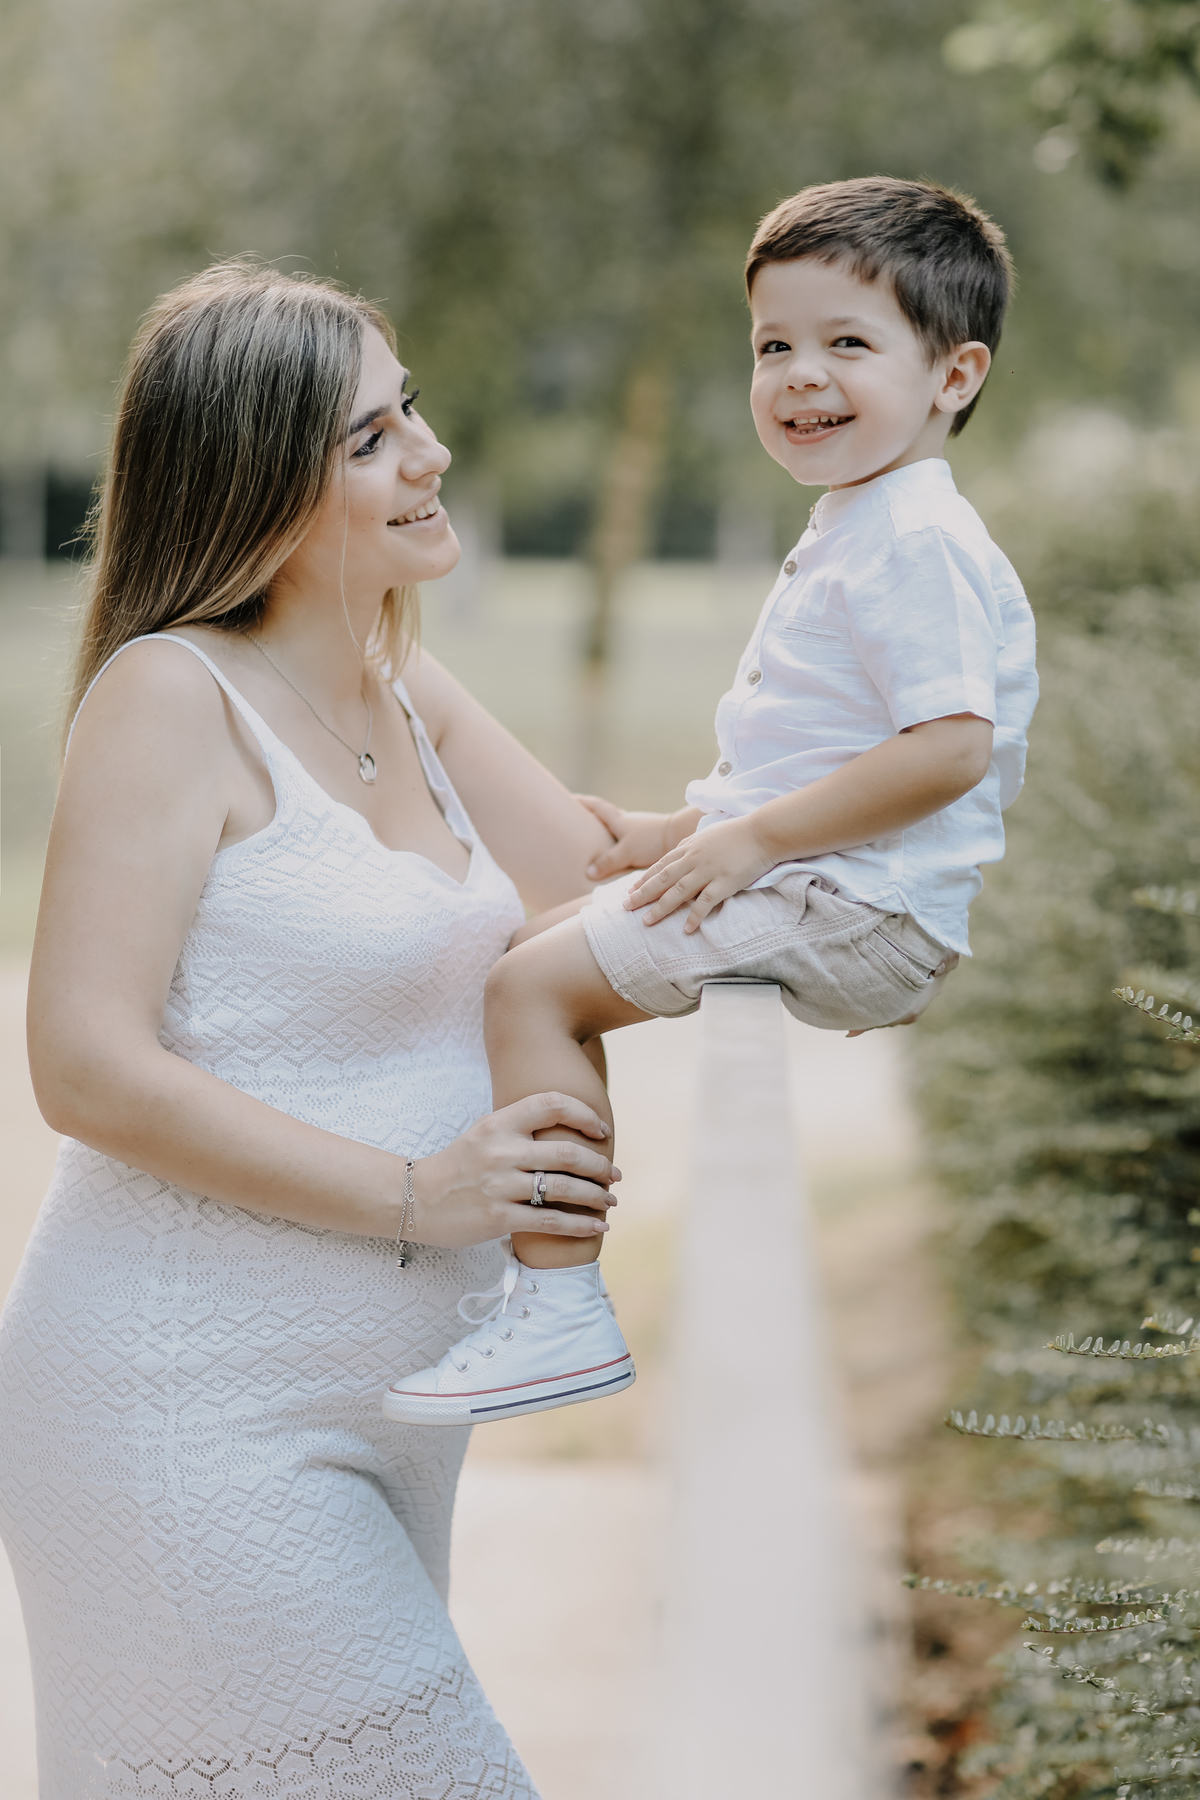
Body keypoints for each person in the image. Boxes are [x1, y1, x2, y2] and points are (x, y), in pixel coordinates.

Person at [0, 261, 625, 1798]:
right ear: (255, 486)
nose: (430, 451)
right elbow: (83, 1065)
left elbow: (614, 875)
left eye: (408, 407)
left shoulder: (400, 685)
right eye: (370, 437)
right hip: (190, 1412)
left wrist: (887, 775)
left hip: (396, 1419)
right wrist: (426, 1196)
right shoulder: (169, 697)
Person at [386, 177, 1039, 1427]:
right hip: (832, 887)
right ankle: (523, 1244)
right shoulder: (861, 523)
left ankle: (557, 1303)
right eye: (774, 345)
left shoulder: (914, 540)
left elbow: (952, 750)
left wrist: (750, 843)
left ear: (954, 377)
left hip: (849, 902)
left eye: (848, 344)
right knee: (530, 950)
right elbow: (807, 761)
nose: (801, 375)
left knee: (531, 988)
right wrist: (678, 834)